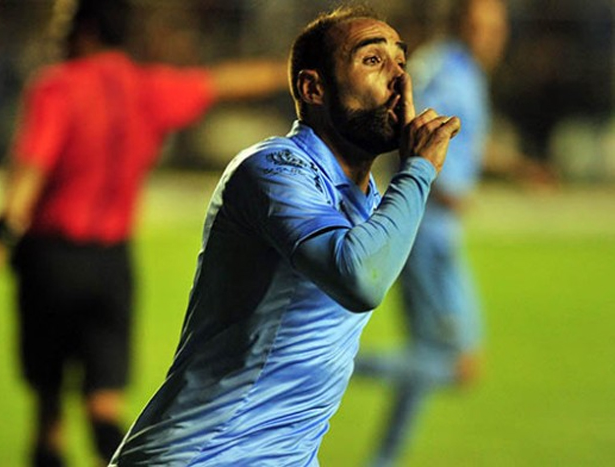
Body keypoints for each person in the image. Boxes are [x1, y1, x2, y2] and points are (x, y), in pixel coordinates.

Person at [109, 5, 461, 466]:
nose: (400, 79)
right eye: (373, 60)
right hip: (204, 455)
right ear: (313, 88)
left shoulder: (370, 200)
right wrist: (417, 171)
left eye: (401, 61)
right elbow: (360, 279)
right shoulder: (274, 168)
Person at [0, 1, 289, 466]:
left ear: (87, 29)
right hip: (111, 265)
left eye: (65, 25)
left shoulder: (57, 87)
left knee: (49, 410)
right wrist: (293, 70)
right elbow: (220, 83)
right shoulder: (146, 88)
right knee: (104, 407)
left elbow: (31, 168)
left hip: (50, 260)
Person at [353, 0, 509, 465]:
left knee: (423, 357)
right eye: (480, 27)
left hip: (433, 232)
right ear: (458, 24)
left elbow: (466, 140)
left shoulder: (461, 71)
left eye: (496, 28)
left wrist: (520, 167)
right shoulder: (445, 72)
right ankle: (326, 363)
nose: (490, 38)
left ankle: (382, 461)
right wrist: (441, 186)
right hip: (429, 237)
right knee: (459, 365)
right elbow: (412, 131)